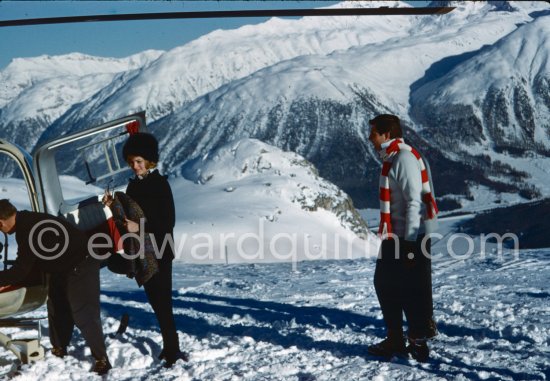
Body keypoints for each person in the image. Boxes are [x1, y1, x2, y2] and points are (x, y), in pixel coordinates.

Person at [104, 132, 188, 367]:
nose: (135, 166)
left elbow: (166, 223)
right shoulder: (133, 186)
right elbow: (127, 218)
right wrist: (114, 207)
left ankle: (173, 351)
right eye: (131, 162)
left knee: (162, 304)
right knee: (155, 301)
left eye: (139, 162)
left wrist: (139, 226)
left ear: (150, 161)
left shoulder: (160, 185)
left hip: (160, 251)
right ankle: (170, 348)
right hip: (142, 251)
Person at [0, 199, 111, 375]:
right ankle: (59, 347)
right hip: (60, 266)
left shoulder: (27, 229)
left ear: (1, 221)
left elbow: (21, 270)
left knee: (83, 311)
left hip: (82, 261)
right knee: (57, 305)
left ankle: (101, 359)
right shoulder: (26, 220)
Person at [366, 114, 439, 362]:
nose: (370, 138)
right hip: (395, 234)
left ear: (387, 134)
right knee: (385, 283)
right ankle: (396, 337)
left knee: (411, 287)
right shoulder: (392, 157)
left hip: (410, 236)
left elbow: (414, 203)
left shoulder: (404, 159)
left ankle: (417, 340)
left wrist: (409, 246)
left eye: (374, 133)